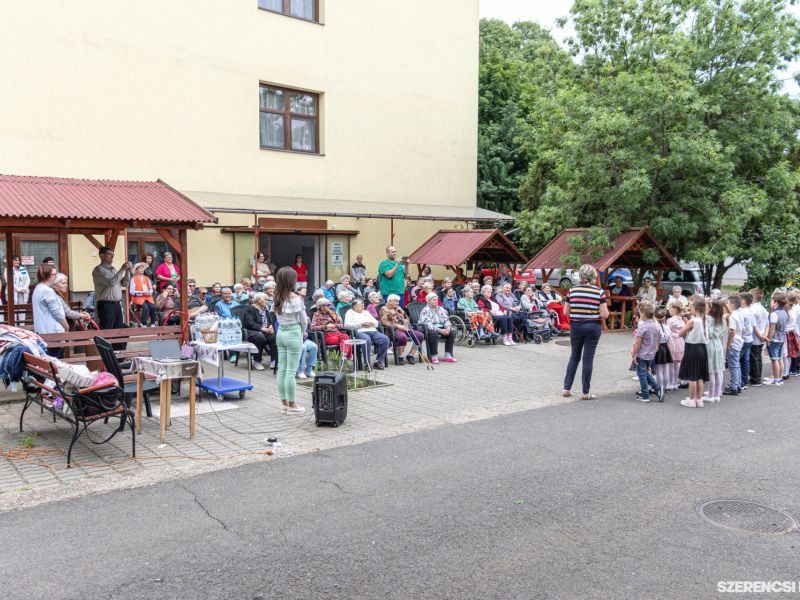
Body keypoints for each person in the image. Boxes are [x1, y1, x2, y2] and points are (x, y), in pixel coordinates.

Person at [561, 264, 609, 400]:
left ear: (580, 275)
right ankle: (585, 392)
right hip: (592, 327)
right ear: (593, 276)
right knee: (588, 359)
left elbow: (565, 312)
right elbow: (604, 314)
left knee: (574, 357)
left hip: (575, 326)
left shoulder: (572, 290)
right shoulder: (599, 292)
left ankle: (566, 389)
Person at [273, 267, 308, 413]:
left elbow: (276, 317)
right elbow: (304, 320)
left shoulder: (276, 297)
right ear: (291, 281)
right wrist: (302, 332)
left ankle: (284, 404)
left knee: (282, 370)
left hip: (281, 332)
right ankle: (292, 405)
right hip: (293, 332)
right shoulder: (296, 298)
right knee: (291, 372)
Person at [677, 298, 709, 407]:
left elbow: (681, 333)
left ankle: (691, 399)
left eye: (690, 307)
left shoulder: (693, 321)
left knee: (692, 375)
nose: (690, 309)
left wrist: (686, 324)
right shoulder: (705, 319)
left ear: (694, 308)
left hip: (692, 348)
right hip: (702, 348)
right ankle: (699, 399)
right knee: (700, 375)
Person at [630, 302, 665, 402]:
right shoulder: (656, 325)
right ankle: (658, 389)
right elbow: (659, 336)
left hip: (642, 354)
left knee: (641, 374)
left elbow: (638, 343)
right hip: (651, 353)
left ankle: (645, 395)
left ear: (643, 315)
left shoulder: (642, 327)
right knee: (644, 372)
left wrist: (634, 353)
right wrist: (657, 347)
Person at [92, 246, 132, 331]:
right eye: (110, 254)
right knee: (106, 330)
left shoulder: (114, 269)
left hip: (117, 304)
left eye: (113, 255)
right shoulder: (98, 270)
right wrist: (122, 269)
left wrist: (127, 271)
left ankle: (117, 345)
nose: (112, 257)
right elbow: (111, 283)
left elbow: (124, 283)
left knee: (118, 330)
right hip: (106, 304)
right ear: (102, 256)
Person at [31, 265, 67, 357]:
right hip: (53, 333)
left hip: (42, 332)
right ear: (48, 276)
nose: (55, 276)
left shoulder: (38, 288)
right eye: (54, 274)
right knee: (56, 363)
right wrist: (66, 326)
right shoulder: (47, 291)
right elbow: (57, 313)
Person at [344, 298, 389, 370]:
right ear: (355, 307)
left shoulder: (365, 312)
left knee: (385, 339)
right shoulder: (350, 312)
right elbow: (347, 325)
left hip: (372, 330)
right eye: (361, 305)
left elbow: (376, 322)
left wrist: (372, 323)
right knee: (366, 340)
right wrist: (360, 324)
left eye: (363, 305)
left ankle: (378, 361)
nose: (363, 307)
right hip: (360, 331)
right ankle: (366, 363)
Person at [379, 294, 423, 364]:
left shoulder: (398, 308)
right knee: (402, 336)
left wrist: (404, 317)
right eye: (396, 301)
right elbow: (384, 322)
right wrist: (398, 326)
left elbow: (407, 319)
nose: (398, 303)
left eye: (398, 301)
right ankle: (400, 356)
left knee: (420, 335)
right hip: (393, 330)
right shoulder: (384, 309)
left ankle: (410, 355)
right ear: (390, 301)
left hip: (405, 328)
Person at [240, 292, 278, 371]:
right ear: (259, 300)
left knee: (274, 336)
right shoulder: (249, 309)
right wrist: (262, 328)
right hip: (251, 331)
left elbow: (269, 320)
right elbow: (250, 323)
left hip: (265, 330)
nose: (267, 301)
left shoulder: (265, 309)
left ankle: (274, 360)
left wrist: (270, 325)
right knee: (259, 337)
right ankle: (257, 361)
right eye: (265, 299)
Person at [418, 292, 457, 364]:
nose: (436, 301)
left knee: (452, 332)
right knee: (433, 334)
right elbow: (428, 324)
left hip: (441, 327)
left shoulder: (440, 309)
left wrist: (448, 328)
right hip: (428, 329)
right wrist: (441, 330)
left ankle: (448, 355)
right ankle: (433, 356)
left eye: (437, 300)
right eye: (434, 300)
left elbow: (446, 320)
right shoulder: (425, 310)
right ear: (428, 301)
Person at [765, 293, 789, 385]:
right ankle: (780, 378)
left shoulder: (774, 314)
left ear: (776, 302)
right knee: (779, 358)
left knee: (774, 359)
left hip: (775, 338)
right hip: (782, 337)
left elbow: (772, 329)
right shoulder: (784, 312)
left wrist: (768, 339)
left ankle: (776, 379)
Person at [723, 295, 744, 396]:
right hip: (739, 340)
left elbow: (732, 331)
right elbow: (743, 329)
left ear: (731, 305)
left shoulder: (732, 315)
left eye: (727, 303)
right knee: (736, 364)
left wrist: (728, 344)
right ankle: (738, 384)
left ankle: (734, 386)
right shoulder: (739, 314)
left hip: (733, 342)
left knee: (733, 365)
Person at [747, 288, 769, 387]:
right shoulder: (763, 309)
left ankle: (755, 378)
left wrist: (760, 336)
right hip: (762, 335)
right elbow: (768, 324)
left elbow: (753, 325)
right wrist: (764, 335)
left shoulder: (752, 309)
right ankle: (757, 376)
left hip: (755, 337)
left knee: (754, 358)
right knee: (758, 357)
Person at [129, 262, 158, 326]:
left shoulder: (147, 278)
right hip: (138, 297)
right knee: (146, 307)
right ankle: (144, 323)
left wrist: (149, 292)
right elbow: (131, 291)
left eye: (142, 268)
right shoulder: (133, 279)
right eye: (140, 268)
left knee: (153, 307)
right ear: (136, 270)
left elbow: (150, 289)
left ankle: (153, 323)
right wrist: (142, 293)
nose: (142, 270)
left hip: (148, 297)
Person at [665, 304, 686, 390]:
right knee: (677, 363)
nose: (669, 311)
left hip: (672, 341)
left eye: (669, 309)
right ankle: (675, 382)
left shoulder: (670, 320)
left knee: (670, 363)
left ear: (674, 310)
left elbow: (667, 332)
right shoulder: (682, 320)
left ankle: (670, 383)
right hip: (680, 341)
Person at [738, 292, 755, 391]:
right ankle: (744, 382)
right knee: (745, 361)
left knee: (738, 361)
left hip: (743, 339)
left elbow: (741, 327)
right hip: (749, 338)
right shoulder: (750, 311)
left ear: (743, 301)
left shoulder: (742, 312)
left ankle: (739, 382)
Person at [653, 308, 673, 392]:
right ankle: (665, 386)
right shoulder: (667, 328)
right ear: (664, 318)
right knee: (665, 369)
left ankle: (660, 387)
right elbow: (669, 340)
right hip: (665, 348)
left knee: (659, 370)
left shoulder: (655, 328)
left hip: (659, 348)